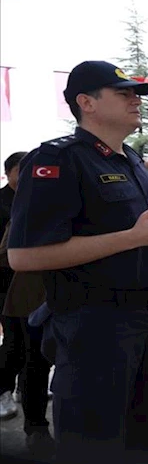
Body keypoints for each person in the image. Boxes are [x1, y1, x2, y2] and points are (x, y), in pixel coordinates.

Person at [7, 60, 148, 464]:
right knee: (94, 444)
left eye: (136, 94)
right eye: (123, 93)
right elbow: (24, 255)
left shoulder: (131, 160)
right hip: (96, 324)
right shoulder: (59, 160)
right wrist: (133, 237)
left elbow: (137, 234)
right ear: (86, 102)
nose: (135, 100)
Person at [1, 220, 54, 458]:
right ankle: (36, 427)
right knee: (31, 359)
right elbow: (7, 254)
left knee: (36, 360)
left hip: (64, 292)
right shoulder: (31, 207)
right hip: (32, 294)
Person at [0, 151, 26, 421]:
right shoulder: (2, 201)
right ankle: (3, 390)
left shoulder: (36, 198)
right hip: (4, 282)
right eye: (21, 170)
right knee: (13, 340)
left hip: (31, 283)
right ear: (8, 173)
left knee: (32, 340)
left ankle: (23, 388)